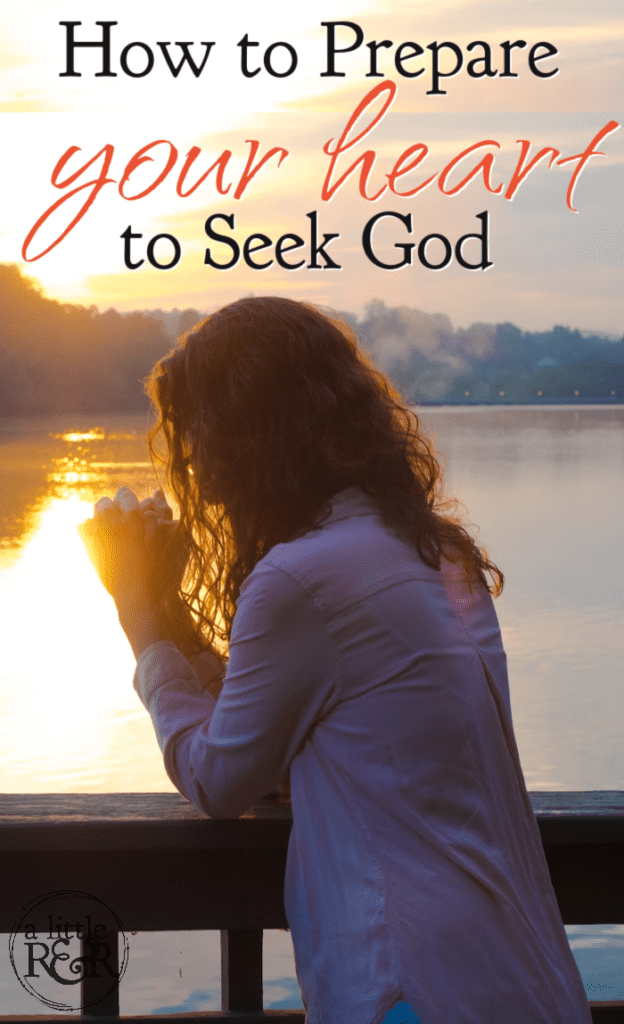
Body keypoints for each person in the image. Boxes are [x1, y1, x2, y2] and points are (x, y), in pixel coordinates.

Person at [79, 297, 592, 1024]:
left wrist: (137, 616)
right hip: (512, 968)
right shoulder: (429, 552)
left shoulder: (300, 577)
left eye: (197, 434)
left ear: (244, 436)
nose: (195, 467)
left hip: (414, 982)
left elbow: (220, 779)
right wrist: (171, 616)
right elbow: (295, 739)